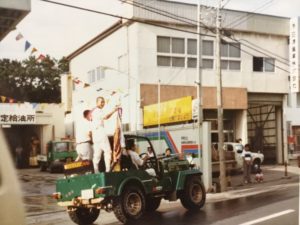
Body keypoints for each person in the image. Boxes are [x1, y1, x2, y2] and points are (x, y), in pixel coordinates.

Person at [91, 96, 118, 173]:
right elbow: (106, 117)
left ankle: (96, 171)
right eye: (101, 102)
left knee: (97, 154)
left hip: (95, 134)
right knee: (108, 151)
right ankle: (108, 169)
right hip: (100, 132)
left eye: (103, 102)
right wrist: (114, 111)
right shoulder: (98, 110)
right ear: (97, 102)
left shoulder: (94, 111)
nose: (103, 103)